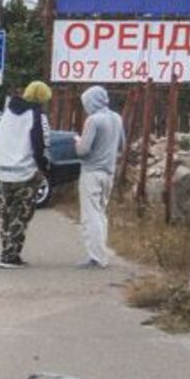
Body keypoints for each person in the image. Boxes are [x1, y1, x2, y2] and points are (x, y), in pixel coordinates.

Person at [0, 80, 53, 268]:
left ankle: (6, 250)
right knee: (22, 214)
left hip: (4, 172)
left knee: (6, 213)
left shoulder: (7, 113)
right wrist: (44, 167)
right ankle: (11, 256)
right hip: (25, 172)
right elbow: (41, 145)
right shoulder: (37, 116)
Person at [74, 85, 124, 267]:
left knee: (90, 215)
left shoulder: (93, 121)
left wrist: (77, 141)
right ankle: (101, 251)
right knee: (101, 213)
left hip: (91, 172)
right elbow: (121, 145)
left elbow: (83, 150)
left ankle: (97, 257)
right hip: (109, 172)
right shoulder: (117, 118)